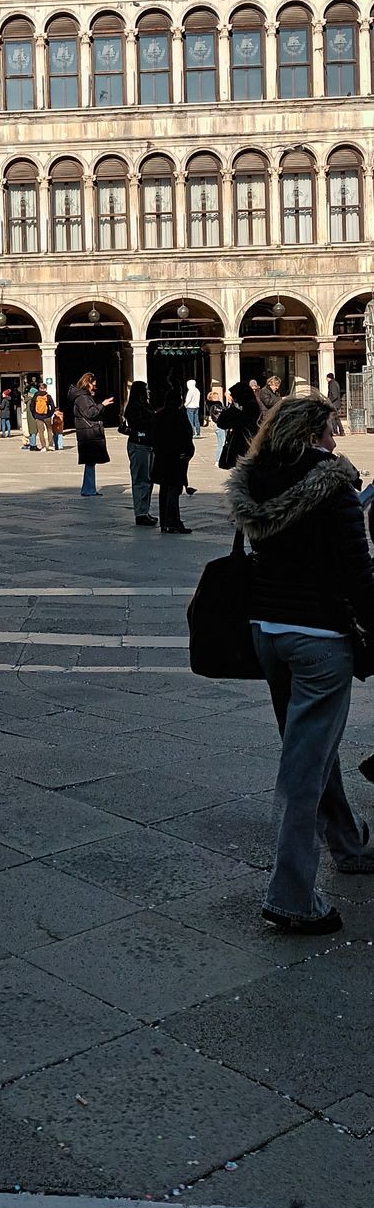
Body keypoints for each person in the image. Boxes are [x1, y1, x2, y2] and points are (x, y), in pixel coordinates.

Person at [228, 395, 374, 934]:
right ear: (314, 434)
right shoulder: (334, 487)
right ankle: (290, 895)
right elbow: (358, 575)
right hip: (319, 639)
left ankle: (348, 845)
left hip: (267, 632)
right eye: (332, 429)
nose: (336, 439)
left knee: (311, 748)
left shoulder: (256, 479)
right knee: (304, 767)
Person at [151, 386, 194, 532]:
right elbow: (186, 435)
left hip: (162, 457)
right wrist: (187, 452)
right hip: (176, 458)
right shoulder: (180, 415)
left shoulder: (159, 415)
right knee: (174, 489)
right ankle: (173, 522)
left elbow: (154, 436)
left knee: (164, 489)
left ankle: (165, 522)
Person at [68, 372, 113, 497]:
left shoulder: (83, 397)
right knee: (90, 462)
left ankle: (89, 488)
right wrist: (102, 405)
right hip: (89, 434)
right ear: (87, 383)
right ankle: (88, 489)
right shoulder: (83, 398)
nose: (95, 387)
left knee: (90, 463)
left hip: (88, 433)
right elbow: (90, 413)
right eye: (93, 384)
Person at [123, 381, 157, 526]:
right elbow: (140, 423)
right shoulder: (134, 407)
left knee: (148, 479)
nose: (148, 391)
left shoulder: (145, 405)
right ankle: (140, 513)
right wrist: (154, 419)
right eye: (146, 389)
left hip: (148, 444)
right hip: (139, 444)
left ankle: (145, 510)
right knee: (140, 479)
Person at [217, 381, 259, 470]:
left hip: (246, 444)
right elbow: (222, 423)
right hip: (241, 442)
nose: (235, 399)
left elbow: (245, 423)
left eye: (235, 396)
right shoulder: (244, 406)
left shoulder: (251, 406)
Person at [31, 380, 55, 451]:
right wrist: (50, 414)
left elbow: (31, 406)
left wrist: (34, 415)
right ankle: (50, 445)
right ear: (46, 389)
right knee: (49, 430)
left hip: (38, 416)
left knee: (41, 432)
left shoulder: (35, 396)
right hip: (47, 416)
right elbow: (53, 406)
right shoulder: (48, 396)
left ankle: (43, 447)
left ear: (39, 388)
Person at [205, 381, 226, 462]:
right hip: (220, 425)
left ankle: (219, 459)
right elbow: (221, 414)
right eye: (217, 397)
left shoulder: (211, 405)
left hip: (217, 425)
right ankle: (218, 460)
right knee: (222, 443)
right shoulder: (216, 405)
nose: (218, 398)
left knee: (220, 443)